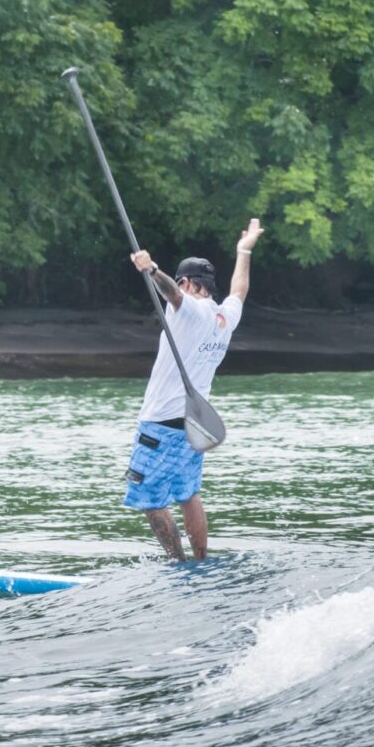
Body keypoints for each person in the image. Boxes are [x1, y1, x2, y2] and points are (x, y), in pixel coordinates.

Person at [123, 218, 264, 561]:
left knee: (150, 501)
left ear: (188, 282)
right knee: (188, 494)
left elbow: (171, 293)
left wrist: (153, 270)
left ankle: (177, 562)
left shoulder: (190, 310)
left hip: (160, 423)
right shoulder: (223, 317)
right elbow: (239, 291)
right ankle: (201, 560)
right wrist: (243, 251)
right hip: (193, 425)